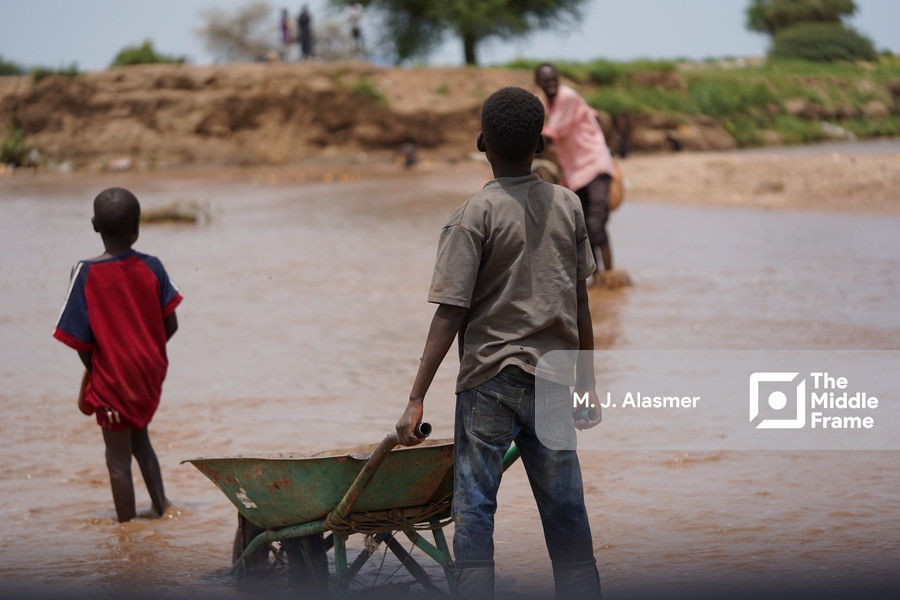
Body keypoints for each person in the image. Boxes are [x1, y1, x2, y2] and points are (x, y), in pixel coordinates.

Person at [394, 87, 603, 600]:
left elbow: (450, 313)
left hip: (488, 382)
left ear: (482, 143)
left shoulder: (473, 215)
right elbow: (580, 305)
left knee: (475, 511)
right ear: (540, 144)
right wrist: (588, 385)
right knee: (566, 511)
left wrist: (416, 395)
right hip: (554, 381)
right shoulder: (568, 206)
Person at [53, 187, 182, 523]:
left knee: (117, 459)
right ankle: (160, 509)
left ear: (95, 225)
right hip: (147, 374)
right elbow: (171, 323)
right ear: (137, 226)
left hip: (112, 378)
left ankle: (126, 535)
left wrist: (98, 370)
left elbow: (80, 339)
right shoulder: (152, 266)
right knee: (142, 440)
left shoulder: (84, 272)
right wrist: (145, 353)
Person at [535, 63, 616, 275]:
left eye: (554, 78)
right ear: (539, 84)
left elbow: (554, 132)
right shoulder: (549, 106)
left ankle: (609, 275)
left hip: (594, 164)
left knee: (595, 224)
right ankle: (595, 278)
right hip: (575, 173)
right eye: (546, 80)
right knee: (582, 228)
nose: (552, 83)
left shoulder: (567, 97)